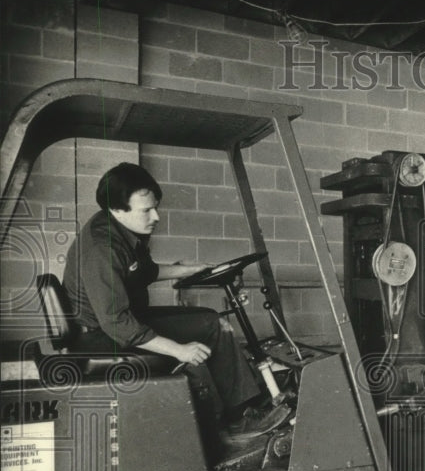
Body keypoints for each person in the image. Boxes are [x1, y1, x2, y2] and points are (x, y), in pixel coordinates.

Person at [62, 162, 271, 447]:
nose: (156, 217)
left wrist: (189, 269)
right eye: (146, 210)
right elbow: (116, 323)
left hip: (121, 322)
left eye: (155, 207)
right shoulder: (102, 247)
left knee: (212, 320)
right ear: (117, 209)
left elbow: (143, 271)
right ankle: (229, 424)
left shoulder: (122, 230)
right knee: (204, 337)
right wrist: (178, 349)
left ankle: (242, 409)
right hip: (102, 335)